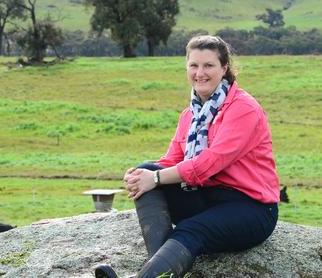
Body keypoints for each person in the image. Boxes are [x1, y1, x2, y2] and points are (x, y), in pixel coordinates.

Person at [95, 35, 280, 278]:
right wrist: (141, 175)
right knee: (145, 170)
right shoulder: (191, 114)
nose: (200, 73)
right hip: (207, 196)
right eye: (194, 65)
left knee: (190, 230)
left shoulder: (243, 108)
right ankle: (156, 267)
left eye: (208, 66)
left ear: (224, 69)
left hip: (251, 207)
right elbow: (172, 159)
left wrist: (157, 177)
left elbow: (209, 164)